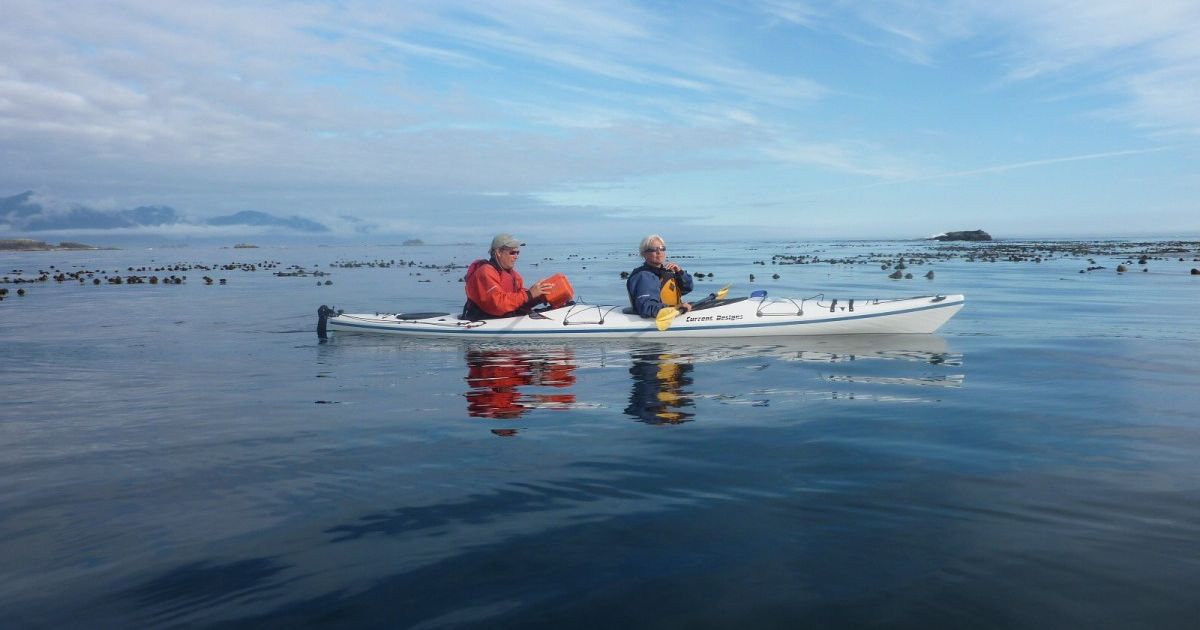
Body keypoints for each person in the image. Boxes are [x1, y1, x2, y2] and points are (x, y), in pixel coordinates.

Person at [462, 234, 553, 320]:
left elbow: (518, 301)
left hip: (504, 317)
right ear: (498, 252)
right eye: (512, 252)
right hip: (482, 319)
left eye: (518, 253)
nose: (516, 256)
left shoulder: (515, 276)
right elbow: (498, 305)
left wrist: (539, 296)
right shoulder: (485, 272)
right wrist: (529, 294)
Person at [626, 234, 694, 318]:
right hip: (662, 316)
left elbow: (687, 288)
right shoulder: (644, 277)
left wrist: (680, 273)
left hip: (674, 312)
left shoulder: (667, 272)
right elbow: (646, 307)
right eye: (653, 249)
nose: (659, 252)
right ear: (644, 254)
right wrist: (674, 308)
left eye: (662, 248)